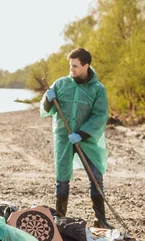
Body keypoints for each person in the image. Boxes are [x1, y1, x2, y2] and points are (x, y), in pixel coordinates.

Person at [41, 47, 113, 229]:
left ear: (86, 66)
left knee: (95, 176)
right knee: (62, 178)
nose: (71, 69)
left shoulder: (97, 89)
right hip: (63, 138)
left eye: (75, 66)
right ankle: (59, 219)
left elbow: (100, 115)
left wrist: (81, 134)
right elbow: (47, 109)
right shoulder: (60, 84)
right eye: (70, 65)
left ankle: (101, 220)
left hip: (87, 140)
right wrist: (48, 99)